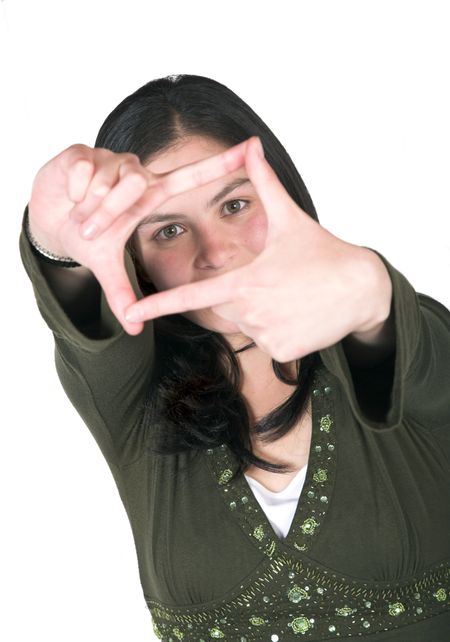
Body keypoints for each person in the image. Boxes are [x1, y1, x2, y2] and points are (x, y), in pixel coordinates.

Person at [20, 74, 450, 641]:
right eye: (169, 229)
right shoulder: (128, 400)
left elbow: (411, 349)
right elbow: (82, 316)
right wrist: (56, 242)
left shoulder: (409, 339)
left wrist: (372, 294)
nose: (216, 253)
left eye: (235, 203)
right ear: (135, 262)